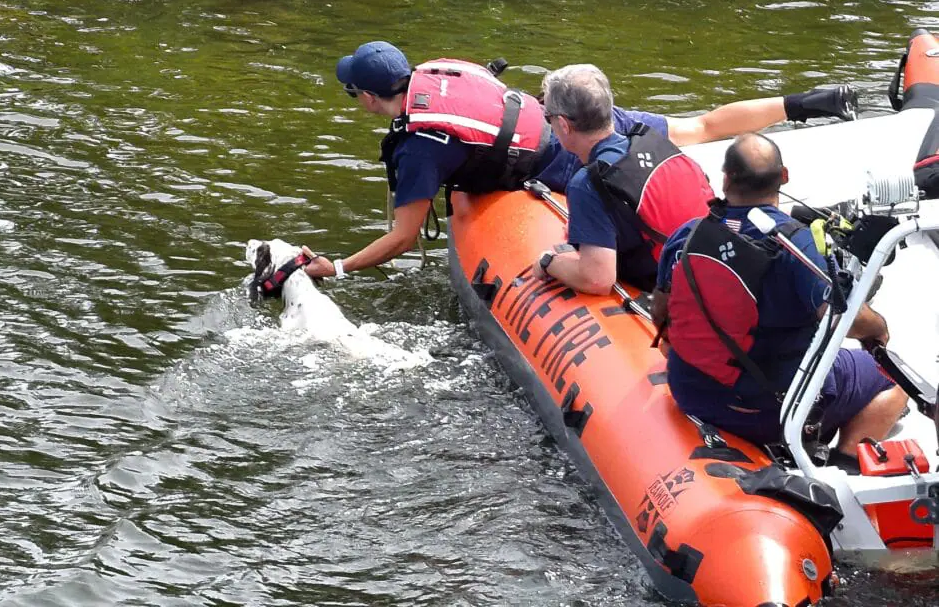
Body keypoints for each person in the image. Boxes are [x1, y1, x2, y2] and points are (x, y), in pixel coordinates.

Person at [303, 41, 858, 280]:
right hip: (589, 118)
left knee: (626, 195)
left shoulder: (420, 144)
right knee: (704, 124)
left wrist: (340, 267)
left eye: (356, 95)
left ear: (372, 98)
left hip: (559, 158)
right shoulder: (441, 71)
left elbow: (402, 236)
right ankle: (808, 102)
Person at [650, 134, 907, 467]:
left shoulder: (688, 234)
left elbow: (660, 312)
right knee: (894, 375)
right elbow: (844, 317)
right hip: (771, 409)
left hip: (692, 392)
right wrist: (879, 328)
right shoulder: (798, 247)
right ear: (784, 176)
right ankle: (845, 463)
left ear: (726, 179)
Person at [532, 64, 718, 294]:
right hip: (712, 262)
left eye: (547, 116)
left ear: (563, 125)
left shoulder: (588, 183)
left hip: (681, 288)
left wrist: (548, 263)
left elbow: (598, 280)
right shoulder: (652, 140)